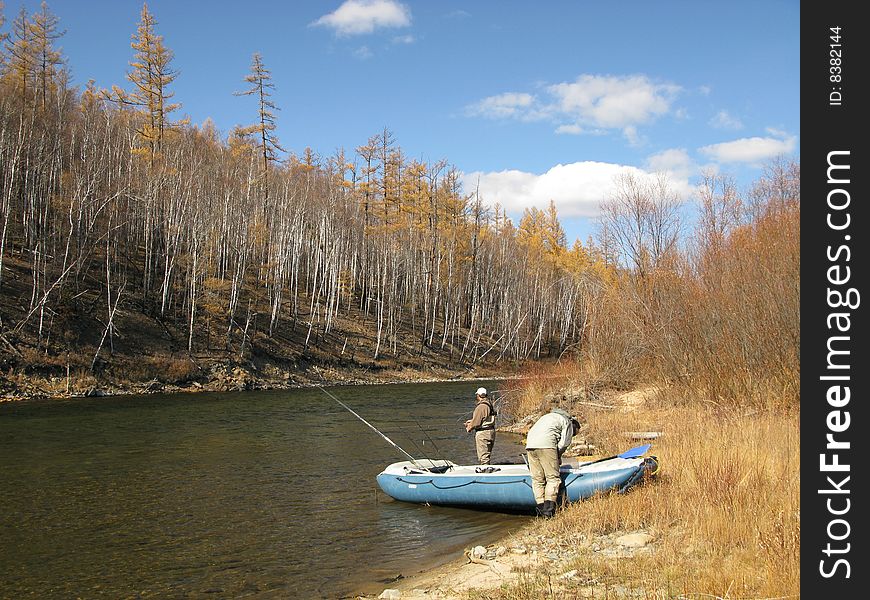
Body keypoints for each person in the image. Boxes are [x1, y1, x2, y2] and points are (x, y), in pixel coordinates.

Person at [525, 406, 581, 518]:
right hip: (546, 444)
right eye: (574, 434)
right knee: (553, 478)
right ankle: (549, 511)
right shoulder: (568, 422)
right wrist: (558, 455)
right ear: (574, 426)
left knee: (537, 479)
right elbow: (564, 443)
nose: (573, 436)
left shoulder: (548, 417)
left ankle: (540, 509)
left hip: (530, 445)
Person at [464, 387, 497, 465]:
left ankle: (485, 474)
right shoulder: (489, 404)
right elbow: (485, 418)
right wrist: (471, 421)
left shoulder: (481, 406)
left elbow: (477, 422)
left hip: (483, 434)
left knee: (483, 458)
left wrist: (469, 427)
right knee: (487, 455)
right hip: (490, 431)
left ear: (478, 395)